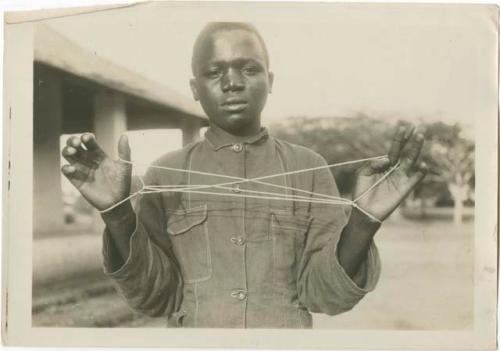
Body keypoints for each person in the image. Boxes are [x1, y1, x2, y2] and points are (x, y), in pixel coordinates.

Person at [61, 22, 427, 328]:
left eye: (247, 69)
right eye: (215, 71)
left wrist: (363, 222)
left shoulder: (307, 168)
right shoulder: (166, 173)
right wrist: (118, 215)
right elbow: (157, 297)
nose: (232, 82)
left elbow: (324, 296)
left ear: (269, 80)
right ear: (195, 89)